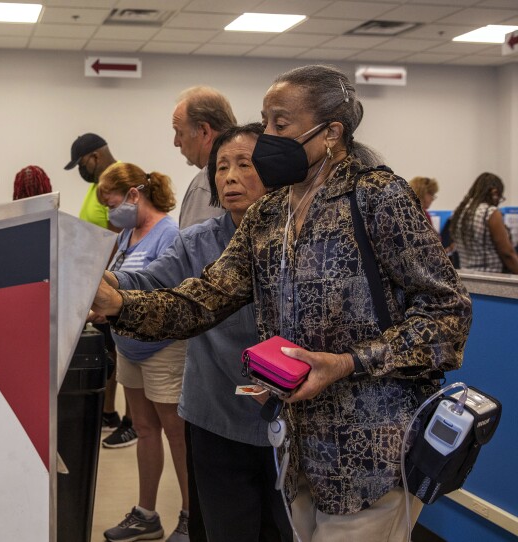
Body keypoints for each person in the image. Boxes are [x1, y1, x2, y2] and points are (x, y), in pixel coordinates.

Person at [93, 64, 472, 541]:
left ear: (331, 132)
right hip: (296, 450)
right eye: (264, 120)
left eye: (280, 123)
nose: (265, 136)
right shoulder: (271, 213)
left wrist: (347, 362)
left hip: (371, 451)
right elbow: (204, 299)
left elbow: (448, 314)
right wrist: (119, 304)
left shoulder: (377, 196)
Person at [102, 124, 291, 541]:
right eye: (221, 167)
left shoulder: (303, 241)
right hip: (215, 416)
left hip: (287, 419)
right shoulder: (196, 242)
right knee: (226, 527)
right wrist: (106, 287)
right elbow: (150, 282)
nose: (229, 176)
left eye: (244, 164)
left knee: (282, 529)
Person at [94, 163, 188, 542]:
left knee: (176, 434)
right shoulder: (126, 235)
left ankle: (189, 517)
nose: (108, 210)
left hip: (163, 348)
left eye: (110, 201)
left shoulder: (169, 234)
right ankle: (146, 514)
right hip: (129, 346)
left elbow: (168, 292)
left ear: (134, 194)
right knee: (145, 430)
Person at [65, 133, 137, 447]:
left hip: (110, 281)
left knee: (122, 353)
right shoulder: (99, 186)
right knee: (108, 351)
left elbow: (115, 237)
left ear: (95, 156)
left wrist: (98, 277)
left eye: (82, 163)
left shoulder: (118, 181)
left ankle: (131, 421)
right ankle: (108, 413)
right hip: (96, 280)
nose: (82, 170)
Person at [172, 86, 236, 229]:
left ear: (204, 131)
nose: (176, 142)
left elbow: (198, 249)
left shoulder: (208, 182)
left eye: (179, 132)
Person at [449, 172, 518, 274]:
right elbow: (507, 253)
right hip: (490, 279)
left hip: (466, 278)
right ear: (494, 193)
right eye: (500, 197)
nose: (499, 202)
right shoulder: (490, 212)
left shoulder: (460, 212)